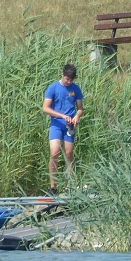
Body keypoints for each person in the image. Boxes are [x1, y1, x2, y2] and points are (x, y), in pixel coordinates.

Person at [42, 64, 83, 196]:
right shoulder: (53, 88)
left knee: (69, 153)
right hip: (56, 124)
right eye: (67, 79)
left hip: (69, 125)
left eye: (71, 80)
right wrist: (61, 116)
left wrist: (77, 116)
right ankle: (53, 187)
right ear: (63, 75)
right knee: (54, 153)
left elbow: (80, 109)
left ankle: (69, 186)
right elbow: (45, 108)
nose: (69, 82)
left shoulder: (75, 89)